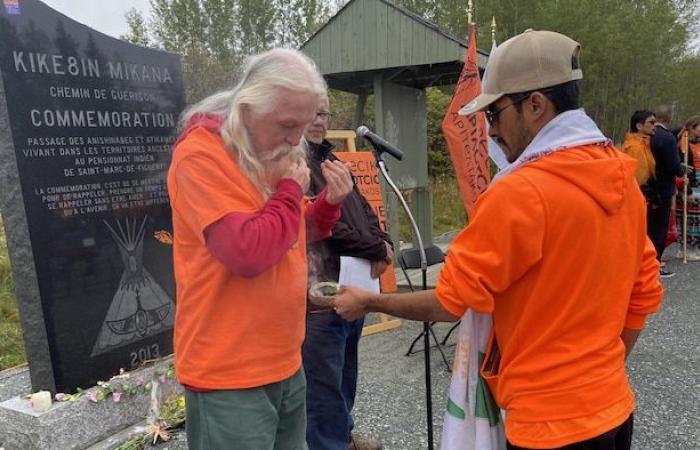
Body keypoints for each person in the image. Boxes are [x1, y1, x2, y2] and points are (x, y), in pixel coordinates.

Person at [332, 30, 663, 450]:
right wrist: (595, 377)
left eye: (494, 114)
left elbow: (449, 304)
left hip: (545, 428)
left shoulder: (518, 193)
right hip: (612, 408)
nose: (490, 131)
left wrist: (369, 301)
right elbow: (644, 294)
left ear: (536, 105)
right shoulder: (621, 176)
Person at [167, 48, 354, 450]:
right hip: (230, 370)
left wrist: (325, 205)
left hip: (285, 358)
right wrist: (290, 190)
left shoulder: (267, 149)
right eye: (287, 124)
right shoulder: (200, 154)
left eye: (303, 126)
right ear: (248, 107)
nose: (295, 139)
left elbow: (288, 232)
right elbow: (248, 251)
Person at [302, 95, 391, 450]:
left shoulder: (333, 159)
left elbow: (364, 208)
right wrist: (374, 249)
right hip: (321, 292)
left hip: (354, 286)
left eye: (323, 113)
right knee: (322, 385)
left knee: (345, 374)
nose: (320, 120)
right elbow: (324, 225)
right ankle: (329, 443)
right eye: (312, 113)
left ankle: (344, 436)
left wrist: (384, 240)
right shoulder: (293, 165)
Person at [650, 105, 686, 277]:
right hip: (663, 187)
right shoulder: (667, 137)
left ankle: (646, 262)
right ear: (668, 118)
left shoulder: (646, 135)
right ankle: (654, 263)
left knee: (647, 227)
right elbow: (673, 165)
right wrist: (682, 170)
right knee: (659, 228)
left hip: (647, 187)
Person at [673, 116, 700, 261]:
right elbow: (684, 167)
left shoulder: (697, 143)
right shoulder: (683, 143)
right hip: (690, 182)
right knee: (689, 216)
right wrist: (686, 189)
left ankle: (695, 247)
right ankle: (685, 249)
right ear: (692, 128)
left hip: (698, 181)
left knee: (697, 218)